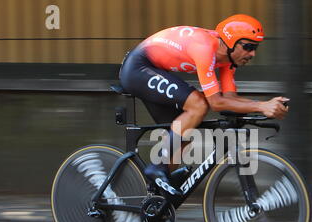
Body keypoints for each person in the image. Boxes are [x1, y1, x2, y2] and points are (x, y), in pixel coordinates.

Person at [119, 14, 289, 191]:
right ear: (231, 42)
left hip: (154, 70)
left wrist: (265, 105)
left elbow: (229, 99)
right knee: (198, 104)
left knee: (183, 138)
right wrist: (262, 106)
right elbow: (215, 103)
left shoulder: (228, 61)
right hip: (138, 68)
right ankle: (156, 167)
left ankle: (155, 195)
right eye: (248, 47)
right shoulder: (205, 48)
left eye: (255, 48)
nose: (252, 54)